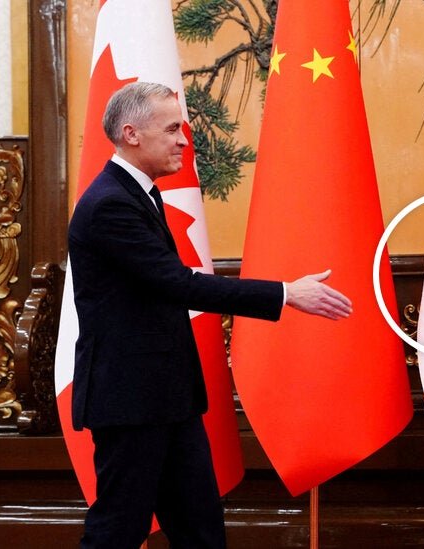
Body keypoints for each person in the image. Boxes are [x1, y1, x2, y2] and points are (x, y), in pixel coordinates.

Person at [68, 81, 353, 548]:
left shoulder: (137, 194)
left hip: (166, 396)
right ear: (131, 133)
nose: (184, 141)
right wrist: (285, 293)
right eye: (172, 129)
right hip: (131, 400)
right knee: (117, 531)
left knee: (200, 529)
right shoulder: (110, 204)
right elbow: (178, 284)